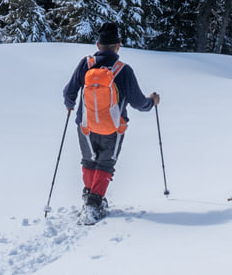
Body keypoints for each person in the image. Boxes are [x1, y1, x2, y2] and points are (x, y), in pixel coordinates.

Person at [62, 22, 159, 217]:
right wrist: (152, 102)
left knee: (89, 160)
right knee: (106, 164)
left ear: (98, 45)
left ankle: (90, 195)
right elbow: (138, 102)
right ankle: (93, 204)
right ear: (118, 46)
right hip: (113, 127)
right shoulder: (123, 70)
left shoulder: (86, 64)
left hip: (85, 125)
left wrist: (70, 104)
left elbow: (69, 91)